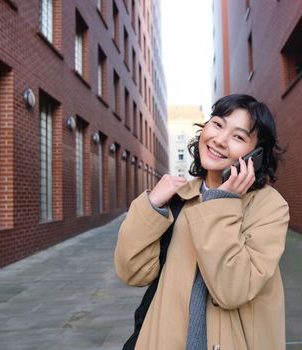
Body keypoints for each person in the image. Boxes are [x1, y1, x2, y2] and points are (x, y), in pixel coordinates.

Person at [115, 94, 290, 350]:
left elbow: (232, 290)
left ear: (256, 155)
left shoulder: (269, 207)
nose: (219, 140)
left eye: (238, 137)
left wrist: (222, 202)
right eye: (218, 124)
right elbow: (133, 272)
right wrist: (152, 206)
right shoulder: (179, 198)